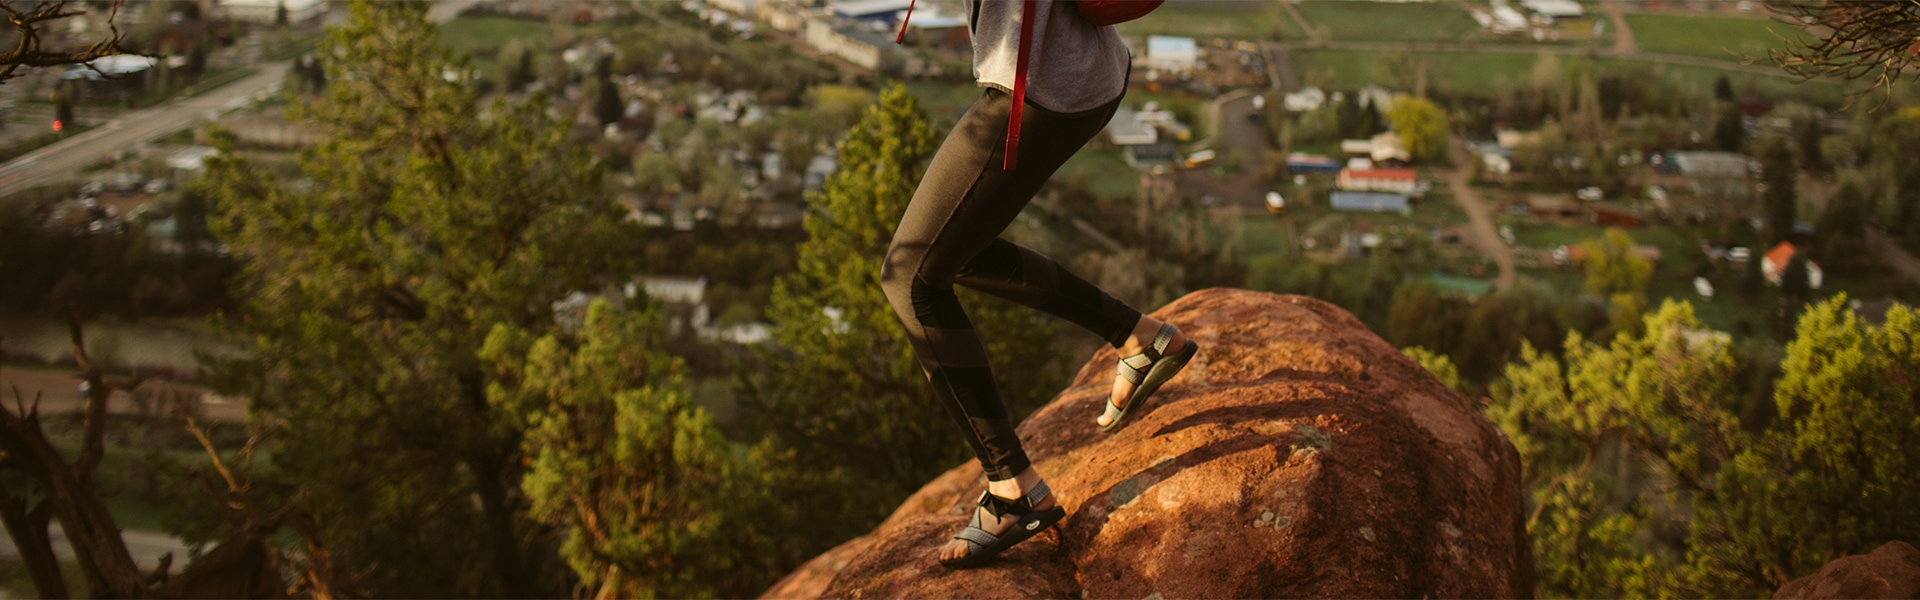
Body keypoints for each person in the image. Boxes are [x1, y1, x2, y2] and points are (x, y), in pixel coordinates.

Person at [878, 0, 1199, 570]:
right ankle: (1138, 336)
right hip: (1079, 72)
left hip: (1043, 88)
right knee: (951, 253)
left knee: (910, 277)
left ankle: (1012, 489)